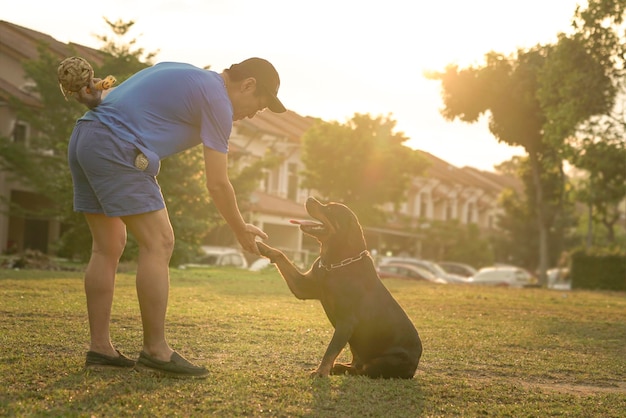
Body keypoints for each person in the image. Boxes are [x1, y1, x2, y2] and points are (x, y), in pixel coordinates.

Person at [69, 57, 286, 378]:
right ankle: (156, 350)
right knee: (160, 242)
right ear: (248, 85)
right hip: (116, 144)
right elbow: (217, 182)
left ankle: (100, 349)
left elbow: (119, 97)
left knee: (107, 246)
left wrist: (94, 94)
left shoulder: (183, 71)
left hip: (85, 137)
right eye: (258, 105)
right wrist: (240, 229)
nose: (254, 114)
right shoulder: (218, 100)